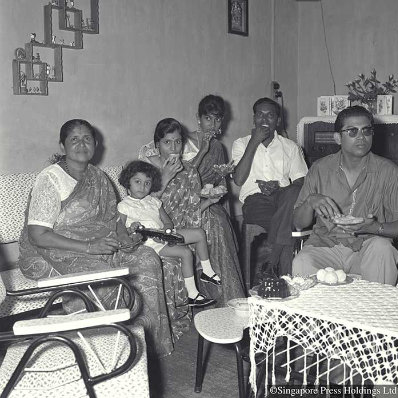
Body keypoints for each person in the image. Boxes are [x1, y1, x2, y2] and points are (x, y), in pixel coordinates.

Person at [18, 119, 184, 357]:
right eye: (74, 139)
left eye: (87, 138)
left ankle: (148, 349)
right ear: (62, 145)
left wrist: (128, 236)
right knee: (107, 281)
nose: (81, 143)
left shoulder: (99, 176)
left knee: (147, 257)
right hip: (51, 250)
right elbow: (38, 235)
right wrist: (88, 247)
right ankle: (110, 352)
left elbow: (113, 221)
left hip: (97, 244)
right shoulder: (50, 178)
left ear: (95, 143)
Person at [139, 113, 245, 306]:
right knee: (209, 226)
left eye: (178, 142)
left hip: (184, 225)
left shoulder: (189, 170)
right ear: (157, 145)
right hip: (156, 228)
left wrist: (211, 201)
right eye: (167, 142)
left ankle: (221, 292)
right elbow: (142, 206)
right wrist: (165, 177)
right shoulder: (146, 168)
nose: (173, 148)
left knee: (214, 224)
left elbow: (192, 208)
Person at [292, 106, 398, 285]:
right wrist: (310, 202)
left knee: (382, 250)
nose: (361, 137)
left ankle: (375, 312)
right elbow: (298, 223)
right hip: (325, 245)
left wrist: (375, 228)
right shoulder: (320, 169)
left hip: (369, 246)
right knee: (302, 262)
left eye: (367, 131)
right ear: (337, 138)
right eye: (352, 131)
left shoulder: (388, 171)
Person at [117, 160, 219, 307]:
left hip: (164, 236)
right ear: (128, 183)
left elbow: (167, 221)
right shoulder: (124, 206)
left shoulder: (154, 201)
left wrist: (167, 229)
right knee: (185, 252)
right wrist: (131, 229)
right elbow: (120, 229)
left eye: (147, 183)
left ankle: (207, 271)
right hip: (149, 243)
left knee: (199, 233)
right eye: (137, 181)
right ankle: (192, 294)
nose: (142, 186)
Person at [232, 97, 308, 278]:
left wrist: (279, 185)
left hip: (284, 198)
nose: (264, 120)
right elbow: (238, 179)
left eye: (270, 116)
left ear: (278, 120)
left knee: (293, 192)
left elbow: (301, 181)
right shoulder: (241, 143)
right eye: (260, 115)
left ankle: (271, 263)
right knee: (287, 225)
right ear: (253, 118)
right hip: (255, 200)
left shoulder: (290, 146)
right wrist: (254, 142)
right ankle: (285, 277)